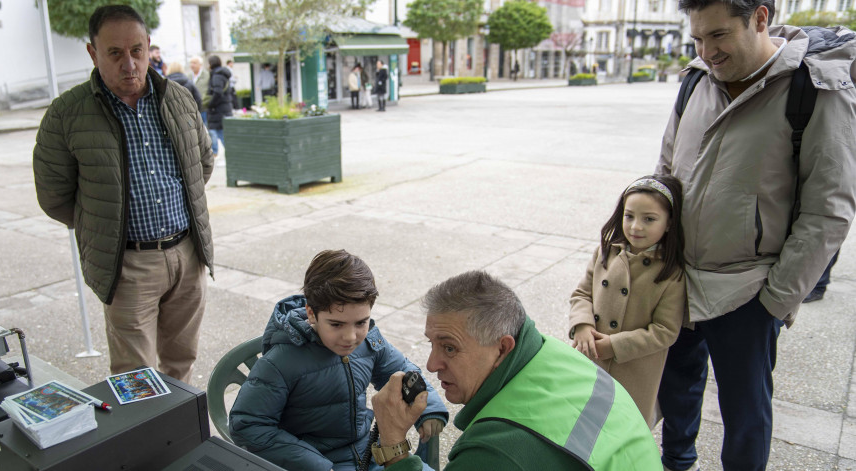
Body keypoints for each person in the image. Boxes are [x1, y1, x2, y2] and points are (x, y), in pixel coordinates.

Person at [655, 0, 856, 469]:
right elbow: (665, 171)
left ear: (760, 18)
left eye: (719, 35)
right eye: (697, 39)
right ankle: (675, 465)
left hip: (748, 292)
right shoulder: (694, 81)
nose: (707, 51)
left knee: (745, 415)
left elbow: (829, 210)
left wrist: (774, 301)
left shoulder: (816, 90)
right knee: (676, 392)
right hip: (677, 280)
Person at [32, 5, 215, 384]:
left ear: (148, 46)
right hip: (127, 264)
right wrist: (105, 223)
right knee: (135, 377)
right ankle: (148, 442)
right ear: (93, 53)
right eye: (114, 53)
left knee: (182, 362)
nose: (129, 63)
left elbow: (203, 165)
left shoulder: (178, 99)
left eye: (136, 50)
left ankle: (178, 439)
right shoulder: (67, 114)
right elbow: (54, 196)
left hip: (187, 253)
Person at [372, 270, 661, 470]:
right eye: (431, 344)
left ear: (502, 348)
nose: (432, 365)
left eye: (449, 348)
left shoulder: (496, 451)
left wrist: (394, 445)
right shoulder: (556, 355)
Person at [229, 250, 448, 471]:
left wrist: (429, 408)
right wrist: (316, 465)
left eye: (361, 322)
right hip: (317, 462)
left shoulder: (369, 341)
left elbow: (403, 371)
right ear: (311, 314)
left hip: (371, 454)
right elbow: (248, 425)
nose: (351, 337)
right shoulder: (280, 362)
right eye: (336, 324)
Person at [568, 175, 687, 428]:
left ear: (668, 224)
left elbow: (665, 331)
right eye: (629, 216)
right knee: (580, 423)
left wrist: (615, 345)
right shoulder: (606, 252)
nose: (635, 227)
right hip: (590, 357)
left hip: (634, 371)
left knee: (621, 430)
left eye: (649, 219)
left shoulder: (671, 273)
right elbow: (582, 294)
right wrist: (581, 325)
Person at [205, 55, 234, 160]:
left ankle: (229, 157)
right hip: (224, 109)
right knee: (220, 134)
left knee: (221, 135)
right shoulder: (222, 74)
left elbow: (218, 92)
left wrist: (210, 104)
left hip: (219, 110)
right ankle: (226, 156)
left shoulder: (217, 75)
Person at [189, 55, 210, 125]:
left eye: (194, 63)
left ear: (200, 64)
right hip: (191, 109)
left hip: (203, 108)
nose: (192, 65)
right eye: (191, 63)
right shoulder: (188, 76)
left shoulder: (206, 75)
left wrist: (204, 101)